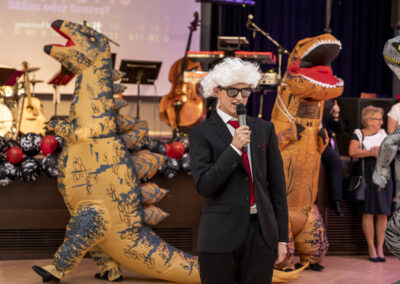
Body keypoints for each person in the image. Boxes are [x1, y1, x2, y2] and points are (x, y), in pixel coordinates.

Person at [189, 57, 288, 284]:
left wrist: (282, 238)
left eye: (245, 92)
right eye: (233, 91)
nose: (240, 98)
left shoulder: (264, 129)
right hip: (219, 235)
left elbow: (278, 189)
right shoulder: (201, 133)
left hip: (262, 234)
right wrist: (234, 148)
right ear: (217, 91)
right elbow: (205, 186)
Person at [348, 105, 393, 262]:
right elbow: (352, 152)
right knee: (368, 212)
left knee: (383, 213)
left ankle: (380, 247)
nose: (381, 122)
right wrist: (371, 152)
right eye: (378, 119)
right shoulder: (358, 134)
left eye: (381, 119)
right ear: (368, 120)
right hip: (367, 174)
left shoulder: (384, 134)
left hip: (384, 175)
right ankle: (371, 247)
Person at [321, 100, 344, 215]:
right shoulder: (302, 101)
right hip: (304, 142)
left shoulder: (325, 105)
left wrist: (335, 115)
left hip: (321, 144)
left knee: (335, 158)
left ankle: (336, 200)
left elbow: (338, 128)